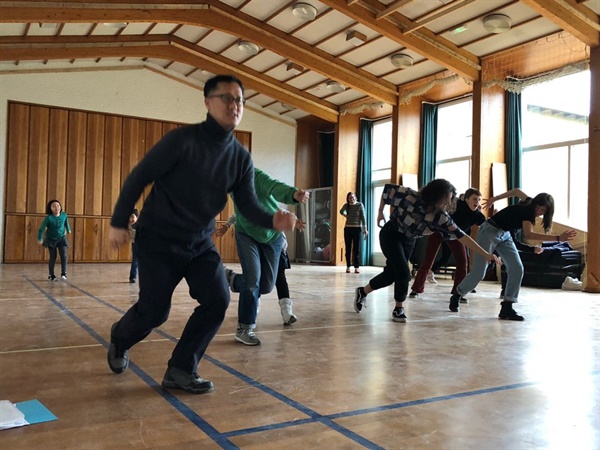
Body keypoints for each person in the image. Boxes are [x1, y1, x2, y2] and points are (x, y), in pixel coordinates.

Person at [106, 74, 297, 394]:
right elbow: (139, 177)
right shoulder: (182, 141)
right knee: (154, 312)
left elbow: (248, 205)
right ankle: (120, 338)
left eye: (239, 100)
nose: (234, 105)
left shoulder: (240, 158)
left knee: (218, 300)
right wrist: (118, 221)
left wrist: (273, 220)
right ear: (208, 103)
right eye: (227, 98)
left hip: (199, 243)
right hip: (158, 240)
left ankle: (181, 369)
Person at [354, 179, 500, 323]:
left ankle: (363, 292)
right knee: (403, 272)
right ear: (437, 194)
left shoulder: (442, 217)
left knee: (392, 273)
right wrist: (380, 212)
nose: (449, 203)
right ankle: (399, 308)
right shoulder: (410, 196)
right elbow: (387, 190)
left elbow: (462, 236)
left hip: (409, 240)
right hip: (391, 234)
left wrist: (486, 254)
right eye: (447, 199)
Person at [449, 188, 577, 321]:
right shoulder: (528, 210)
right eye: (539, 208)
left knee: (517, 268)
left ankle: (507, 307)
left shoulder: (528, 202)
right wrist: (558, 238)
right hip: (489, 231)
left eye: (543, 210)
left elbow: (516, 191)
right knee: (479, 272)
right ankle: (458, 294)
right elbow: (528, 234)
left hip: (505, 234)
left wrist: (495, 199)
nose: (539, 212)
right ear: (535, 203)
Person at [218, 168, 308, 346]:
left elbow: (275, 187)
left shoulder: (256, 177)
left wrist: (293, 194)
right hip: (246, 235)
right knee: (253, 281)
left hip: (271, 237)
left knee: (265, 286)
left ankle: (231, 278)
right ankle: (244, 328)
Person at [409, 188, 486, 301]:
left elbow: (488, 226)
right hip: (439, 231)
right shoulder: (457, 203)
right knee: (428, 260)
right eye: (475, 199)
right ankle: (416, 289)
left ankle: (458, 292)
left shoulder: (478, 215)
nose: (477, 202)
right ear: (466, 199)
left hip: (455, 236)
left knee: (462, 262)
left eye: (479, 200)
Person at [217, 219, 299, 326]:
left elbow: (280, 217)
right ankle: (254, 306)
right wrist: (227, 225)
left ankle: (287, 312)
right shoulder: (249, 210)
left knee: (280, 277)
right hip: (258, 247)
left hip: (277, 247)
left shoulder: (271, 206)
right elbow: (239, 213)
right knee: (256, 277)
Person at [37, 199, 71, 281]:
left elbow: (66, 223)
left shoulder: (64, 215)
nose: (56, 208)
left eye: (58, 206)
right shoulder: (49, 218)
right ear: (50, 208)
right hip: (51, 239)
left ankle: (64, 273)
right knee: (53, 257)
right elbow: (41, 229)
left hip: (62, 238)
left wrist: (68, 229)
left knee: (64, 255)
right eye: (54, 206)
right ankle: (51, 275)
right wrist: (40, 239)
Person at [339, 192, 368, 273]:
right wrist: (345, 215)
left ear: (355, 197)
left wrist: (365, 228)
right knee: (348, 248)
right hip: (348, 228)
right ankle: (348, 266)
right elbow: (341, 211)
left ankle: (356, 266)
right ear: (348, 199)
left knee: (356, 248)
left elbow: (363, 217)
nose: (351, 199)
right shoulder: (346, 205)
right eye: (350, 198)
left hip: (357, 228)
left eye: (352, 197)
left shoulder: (360, 205)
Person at [128, 209, 139, 283]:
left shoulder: (140, 224)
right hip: (135, 244)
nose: (131, 219)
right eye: (130, 217)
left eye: (133, 217)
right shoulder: (129, 225)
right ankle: (133, 277)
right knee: (135, 260)